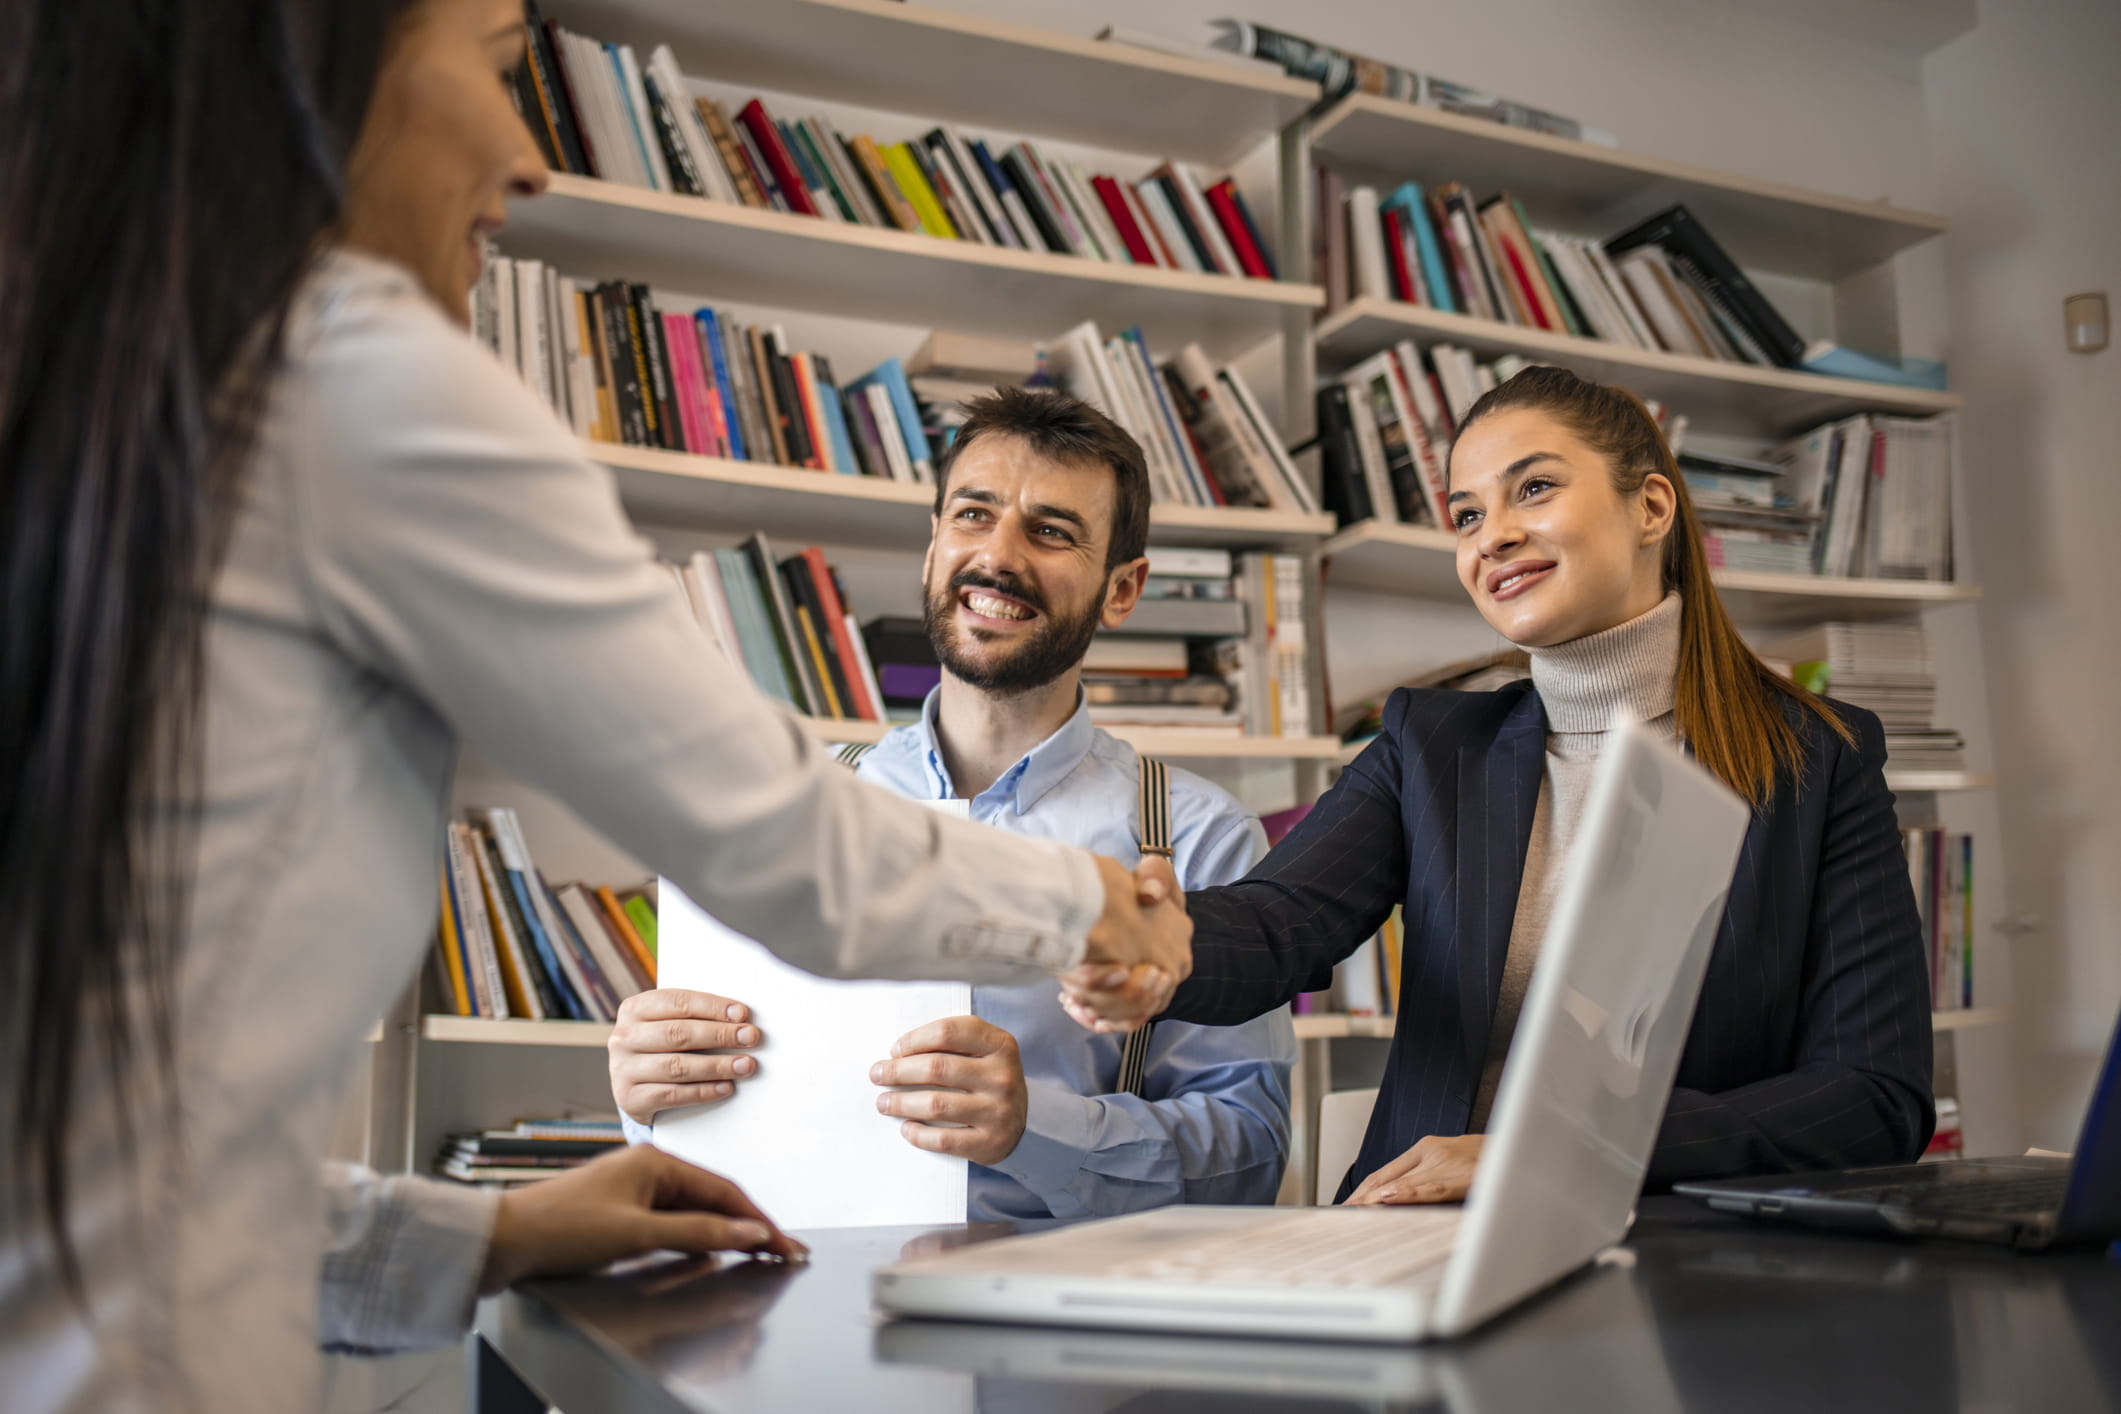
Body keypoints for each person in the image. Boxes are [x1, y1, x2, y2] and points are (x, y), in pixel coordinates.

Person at [0, 4, 1181, 1410]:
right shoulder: (353, 368)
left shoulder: (105, 376)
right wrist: (1092, 906)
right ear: (303, 70)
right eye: (500, 70)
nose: (528, 155)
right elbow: (796, 853)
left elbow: (133, 1177)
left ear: (1123, 586)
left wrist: (501, 1230)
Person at [1095, 364, 1936, 1206]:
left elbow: (1871, 1097)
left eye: (1531, 488)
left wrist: (1553, 1154)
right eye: (1466, 515)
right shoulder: (1431, 745)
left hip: (1677, 1250)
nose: (1489, 535)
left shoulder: (1818, 760)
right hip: (1420, 1235)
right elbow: (1279, 924)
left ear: (1649, 507)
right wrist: (1145, 935)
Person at [609, 389, 1296, 1218]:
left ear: (1122, 589)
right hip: (779, 1285)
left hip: (1058, 1312)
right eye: (973, 514)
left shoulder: (1197, 834)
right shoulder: (789, 803)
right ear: (933, 544)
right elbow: (698, 1124)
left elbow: (1250, 1154)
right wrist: (646, 1098)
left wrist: (1033, 1126)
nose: (996, 556)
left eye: (1049, 531)